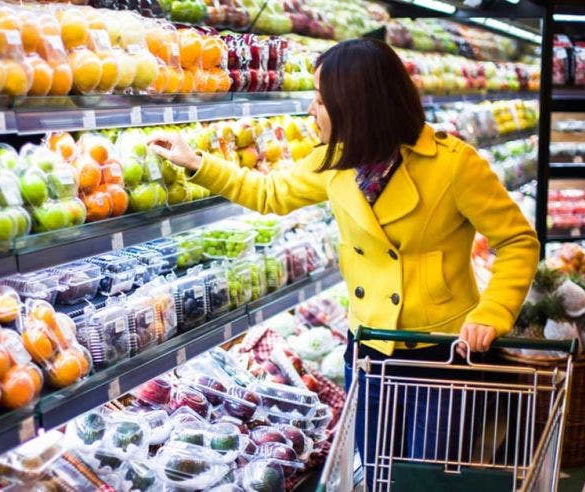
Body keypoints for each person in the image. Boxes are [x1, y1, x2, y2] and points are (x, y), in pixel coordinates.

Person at [148, 38, 540, 489]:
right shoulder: (335, 162)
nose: (311, 112)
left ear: (358, 105)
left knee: (423, 478)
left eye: (320, 101)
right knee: (374, 472)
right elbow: (269, 193)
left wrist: (492, 312)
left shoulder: (454, 166)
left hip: (442, 353)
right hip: (370, 347)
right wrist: (197, 161)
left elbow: (518, 241)